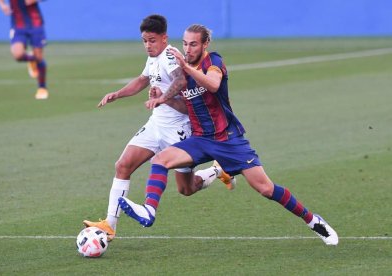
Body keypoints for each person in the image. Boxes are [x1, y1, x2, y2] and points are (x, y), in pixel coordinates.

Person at [118, 24, 339, 246]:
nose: (188, 49)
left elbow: (213, 85)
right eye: (185, 43)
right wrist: (164, 98)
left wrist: (186, 67)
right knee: (161, 161)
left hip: (228, 140)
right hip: (200, 139)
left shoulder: (213, 62)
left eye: (194, 44)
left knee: (266, 189)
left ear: (205, 44)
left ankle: (312, 220)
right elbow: (186, 105)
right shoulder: (180, 70)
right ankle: (149, 210)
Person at [83, 15, 235, 241]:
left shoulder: (171, 57)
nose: (147, 45)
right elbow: (142, 80)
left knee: (186, 188)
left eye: (152, 40)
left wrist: (162, 97)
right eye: (144, 41)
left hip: (179, 130)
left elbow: (181, 82)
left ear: (164, 38)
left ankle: (216, 170)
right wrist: (117, 94)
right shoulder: (153, 58)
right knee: (123, 165)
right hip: (156, 126)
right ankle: (109, 224)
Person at [0, 0, 48, 100]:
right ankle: (31, 60)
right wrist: (2, 4)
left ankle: (42, 88)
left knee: (39, 57)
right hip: (18, 25)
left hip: (35, 23)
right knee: (18, 55)